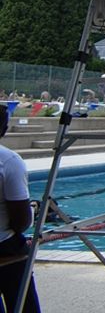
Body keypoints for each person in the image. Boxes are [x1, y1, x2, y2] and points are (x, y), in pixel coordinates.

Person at [0, 105, 40, 313]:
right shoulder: (9, 161)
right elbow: (20, 221)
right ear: (4, 130)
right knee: (24, 303)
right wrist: (32, 210)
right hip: (4, 248)